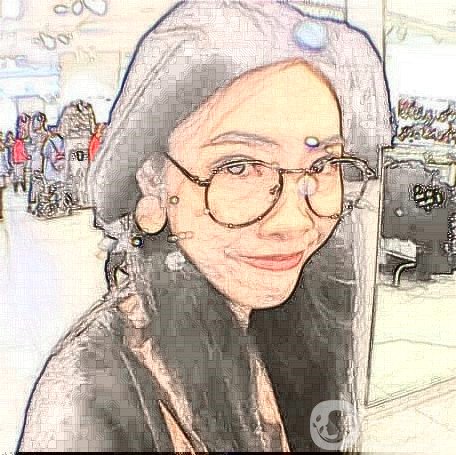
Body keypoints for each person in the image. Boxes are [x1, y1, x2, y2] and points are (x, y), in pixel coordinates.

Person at [17, 0, 391, 452]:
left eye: (322, 165)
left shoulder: (295, 322)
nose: (293, 221)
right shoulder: (92, 393)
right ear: (152, 186)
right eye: (238, 167)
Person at [27, 112, 50, 212]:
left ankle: (40, 204)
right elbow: (30, 131)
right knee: (35, 182)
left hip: (44, 159)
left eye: (41, 121)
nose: (40, 123)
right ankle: (32, 204)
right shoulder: (35, 134)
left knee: (43, 182)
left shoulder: (45, 133)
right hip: (37, 160)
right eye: (38, 120)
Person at [11, 113, 31, 193]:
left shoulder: (16, 142)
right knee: (21, 175)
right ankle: (22, 188)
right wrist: (27, 157)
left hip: (17, 160)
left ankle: (17, 188)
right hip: (19, 160)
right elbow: (22, 152)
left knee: (18, 175)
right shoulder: (20, 142)